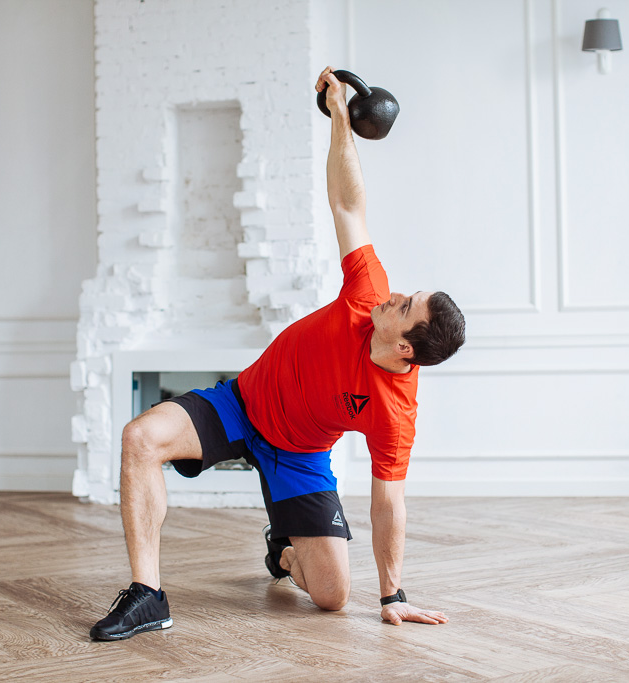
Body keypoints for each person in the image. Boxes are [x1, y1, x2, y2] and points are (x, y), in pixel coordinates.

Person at [90, 66, 466, 640]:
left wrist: (392, 594)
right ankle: (147, 595)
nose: (393, 295)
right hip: (240, 405)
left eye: (405, 304)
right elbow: (348, 205)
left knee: (333, 597)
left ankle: (285, 551)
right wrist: (341, 117)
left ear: (405, 347)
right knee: (140, 438)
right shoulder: (366, 293)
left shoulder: (396, 410)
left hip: (300, 455)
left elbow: (389, 502)